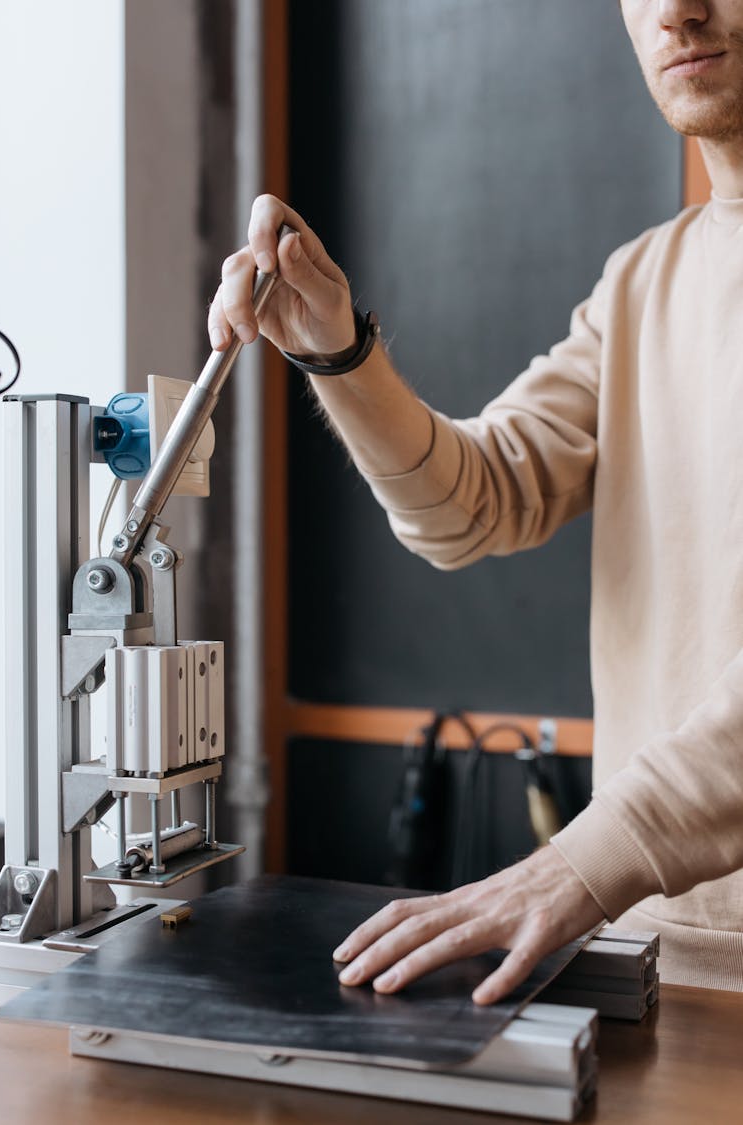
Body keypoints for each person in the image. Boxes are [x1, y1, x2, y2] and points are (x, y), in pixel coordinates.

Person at [208, 0, 743, 1002]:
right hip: (652, 965)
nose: (678, 12)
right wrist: (338, 352)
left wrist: (580, 861)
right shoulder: (642, 282)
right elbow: (472, 506)